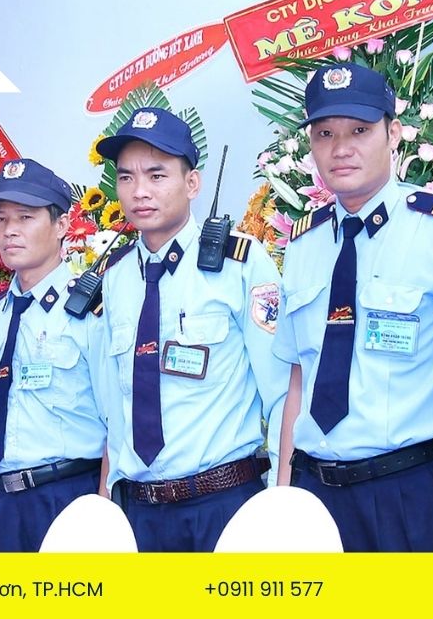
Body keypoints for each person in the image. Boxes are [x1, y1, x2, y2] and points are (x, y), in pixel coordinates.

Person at [272, 63, 433, 551]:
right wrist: (284, 502)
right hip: (313, 492)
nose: (341, 148)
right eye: (325, 134)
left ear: (393, 134)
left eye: (359, 130)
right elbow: (298, 381)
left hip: (409, 490)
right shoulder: (303, 243)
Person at [94, 107, 289, 552]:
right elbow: (115, 409)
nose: (139, 191)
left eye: (156, 175)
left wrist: (281, 501)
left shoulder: (240, 263)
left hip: (224, 506)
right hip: (139, 513)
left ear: (192, 183)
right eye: (126, 177)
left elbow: (281, 392)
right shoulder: (115, 277)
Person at [0, 158, 108, 552]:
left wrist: (104, 517)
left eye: (25, 217)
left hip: (73, 499)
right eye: (1, 220)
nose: (10, 230)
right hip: (8, 508)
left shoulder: (91, 312)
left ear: (62, 225)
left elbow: (117, 423)